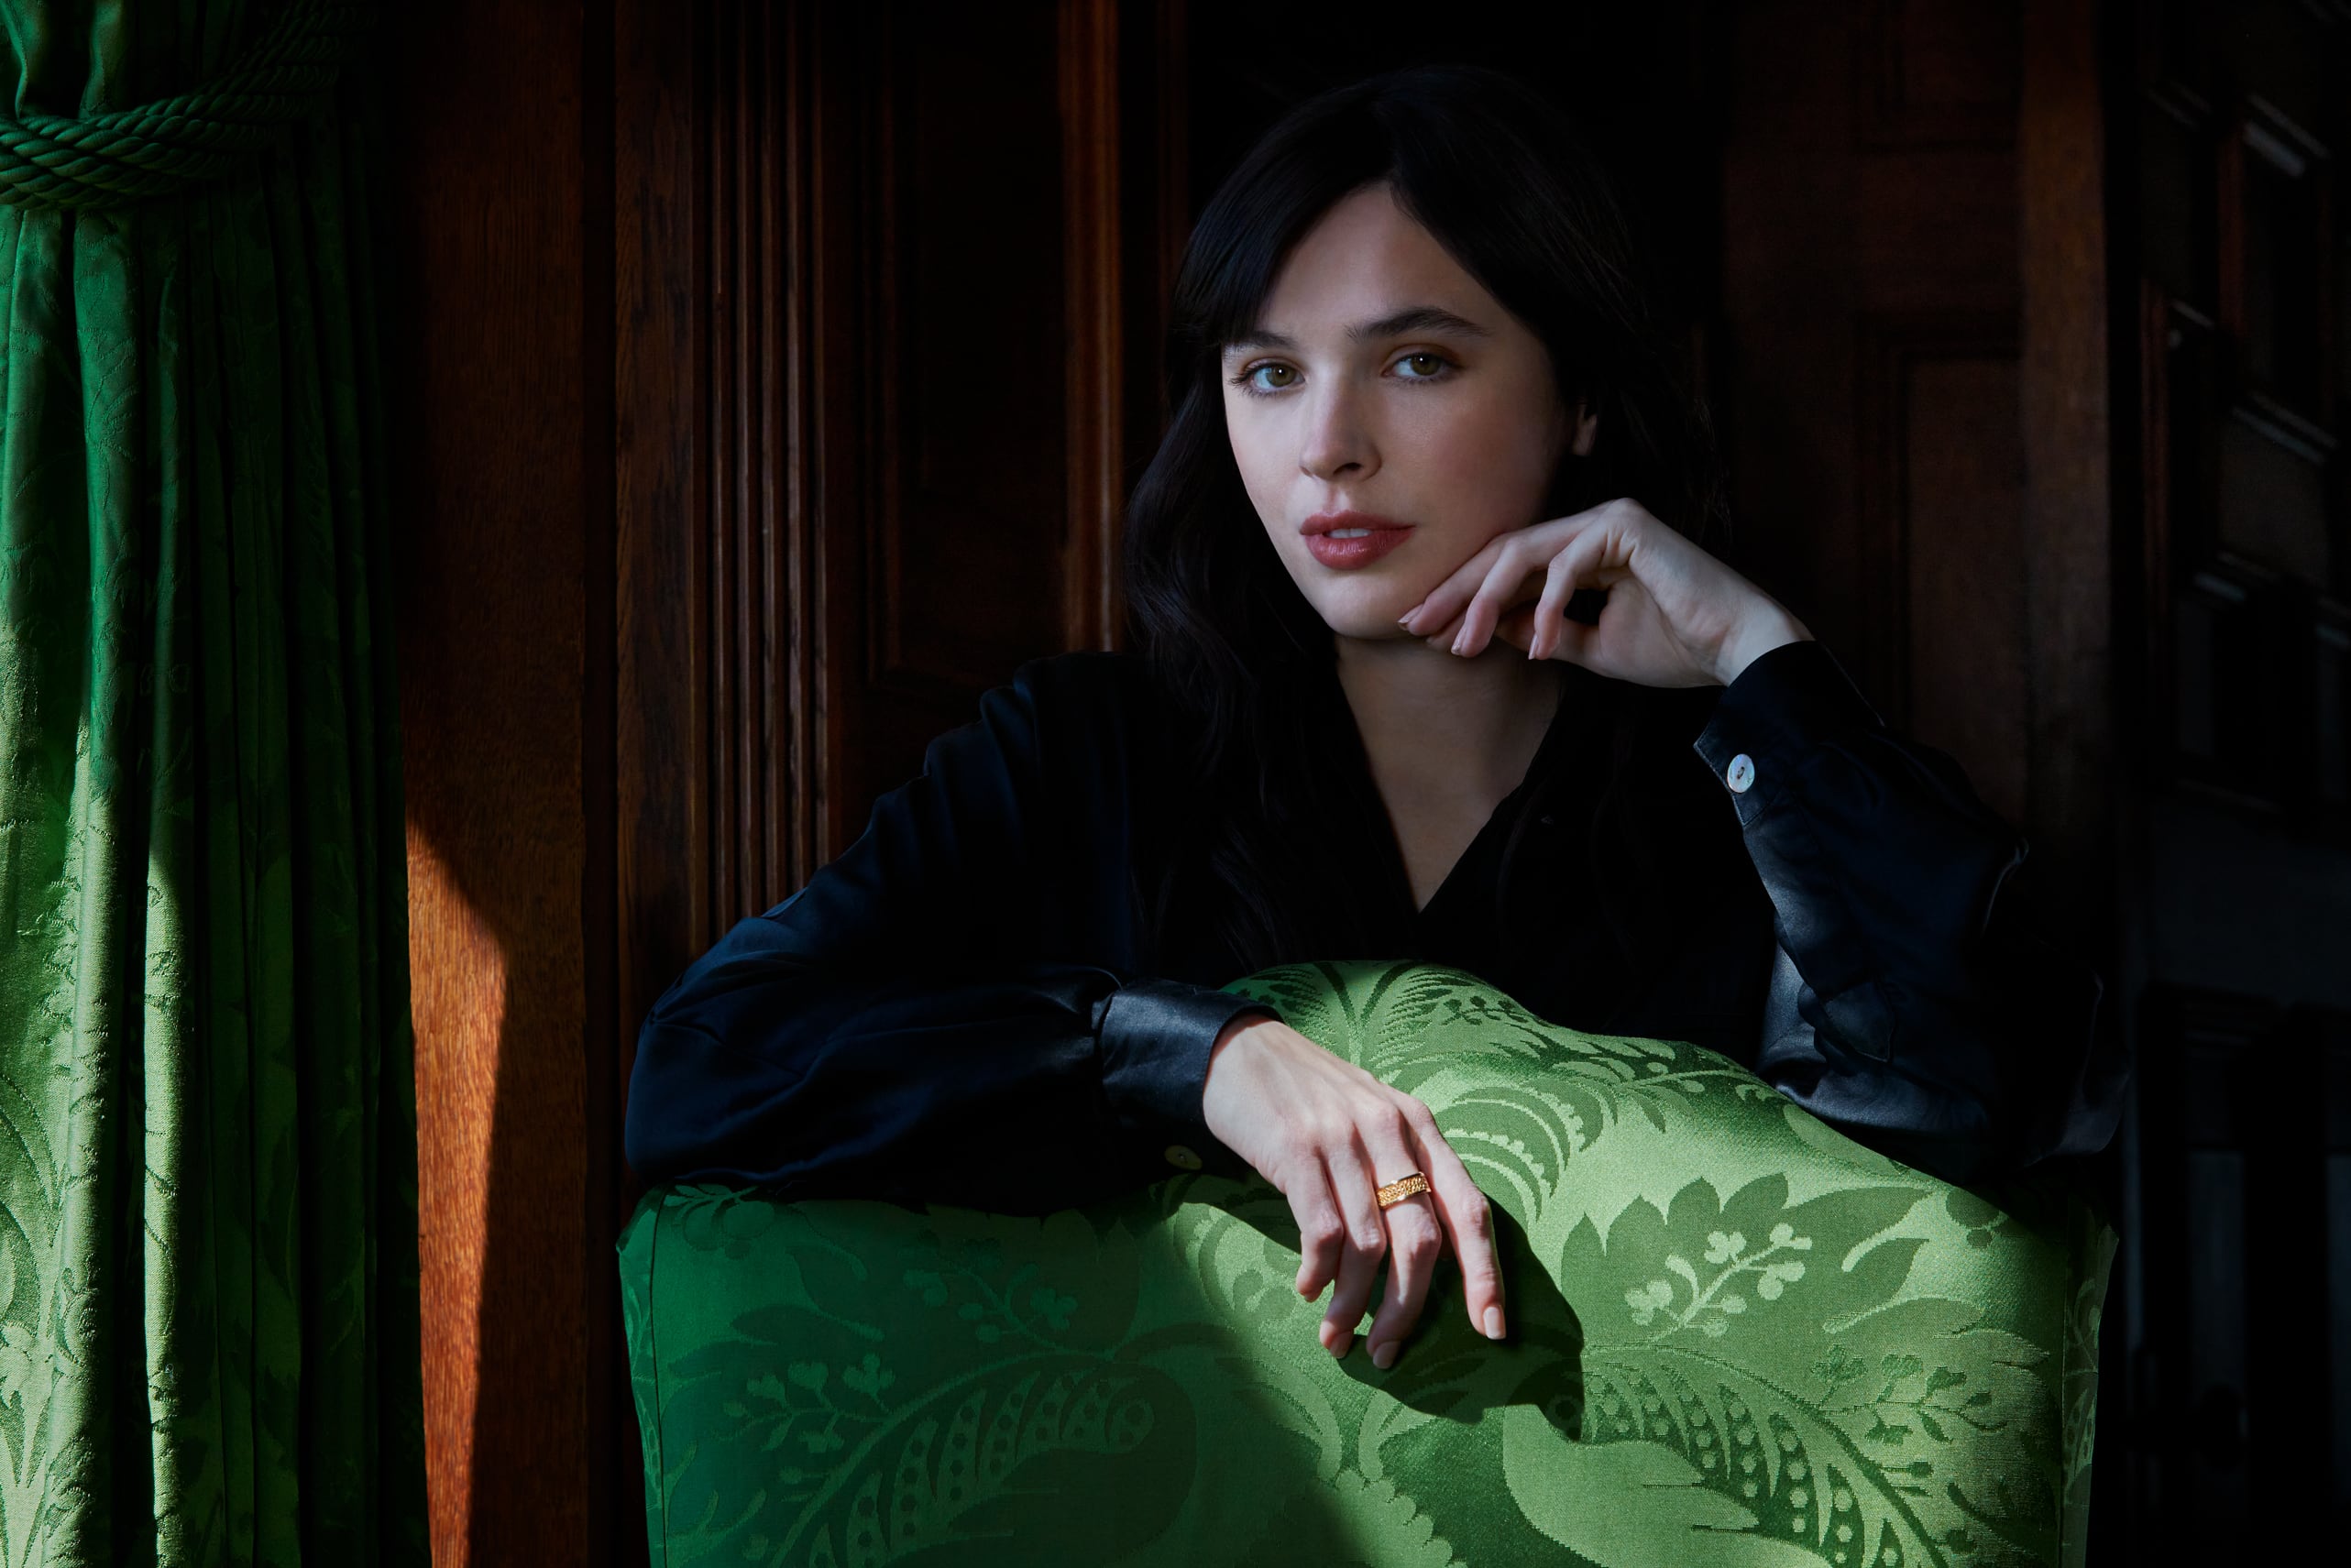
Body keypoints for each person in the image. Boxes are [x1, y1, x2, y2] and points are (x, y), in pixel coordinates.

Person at [622, 63, 2126, 1378]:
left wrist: (1757, 661)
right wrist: (1189, 1055)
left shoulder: (1731, 799)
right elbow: (704, 1065)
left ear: (1582, 399)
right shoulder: (1082, 755)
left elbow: (1977, 1103)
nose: (1325, 447)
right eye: (1268, 373)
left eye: (1417, 361)